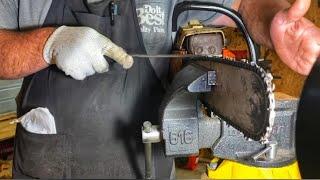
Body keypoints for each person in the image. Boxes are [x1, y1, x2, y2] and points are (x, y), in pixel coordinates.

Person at [0, 0, 319, 178]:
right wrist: (46, 45)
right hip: (49, 167)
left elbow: (244, 5)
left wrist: (272, 20)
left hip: (146, 167)